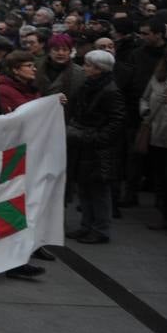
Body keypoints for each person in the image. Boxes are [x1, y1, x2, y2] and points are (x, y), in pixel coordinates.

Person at [66, 49, 124, 244]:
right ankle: (86, 225)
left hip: (98, 148)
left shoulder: (110, 90)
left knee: (98, 191)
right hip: (85, 144)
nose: (85, 68)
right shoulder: (89, 85)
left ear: (99, 69)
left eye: (89, 65)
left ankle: (100, 229)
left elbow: (117, 121)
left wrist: (96, 138)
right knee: (84, 187)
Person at [139, 43, 167, 233]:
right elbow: (144, 98)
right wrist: (146, 112)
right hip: (157, 134)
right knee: (161, 178)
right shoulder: (158, 78)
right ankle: (165, 216)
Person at [0, 50, 40, 114]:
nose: (34, 69)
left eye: (34, 66)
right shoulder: (3, 90)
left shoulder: (33, 88)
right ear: (15, 70)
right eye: (29, 66)